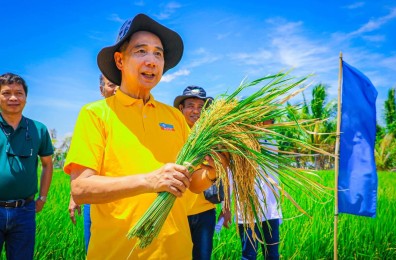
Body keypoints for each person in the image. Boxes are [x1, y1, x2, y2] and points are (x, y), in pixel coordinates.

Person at [64, 13, 221, 259]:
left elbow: (193, 183)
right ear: (119, 60)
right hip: (117, 252)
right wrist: (150, 181)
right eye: (141, 51)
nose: (152, 60)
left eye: (158, 54)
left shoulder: (174, 117)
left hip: (175, 250)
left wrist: (212, 170)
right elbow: (82, 189)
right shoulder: (96, 114)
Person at [0, 72, 54, 259]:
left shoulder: (38, 129)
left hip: (25, 211)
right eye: (6, 93)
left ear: (26, 98)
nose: (13, 97)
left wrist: (43, 197)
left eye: (19, 93)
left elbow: (48, 164)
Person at [174, 86, 231, 260]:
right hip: (177, 211)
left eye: (201, 107)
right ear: (181, 108)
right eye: (191, 105)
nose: (196, 111)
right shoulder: (171, 134)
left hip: (205, 211)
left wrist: (227, 206)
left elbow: (224, 171)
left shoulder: (213, 138)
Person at [68, 74, 118, 253]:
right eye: (111, 84)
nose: (117, 89)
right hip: (95, 196)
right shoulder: (93, 115)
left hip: (127, 195)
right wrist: (75, 195)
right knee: (95, 245)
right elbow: (82, 162)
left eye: (120, 84)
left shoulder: (132, 119)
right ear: (102, 89)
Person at [238, 119, 282, 260]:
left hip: (270, 208)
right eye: (260, 121)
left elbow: (274, 174)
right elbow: (232, 175)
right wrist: (226, 207)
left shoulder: (271, 141)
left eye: (269, 121)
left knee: (272, 254)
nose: (264, 124)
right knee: (249, 255)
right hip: (248, 208)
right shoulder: (239, 142)